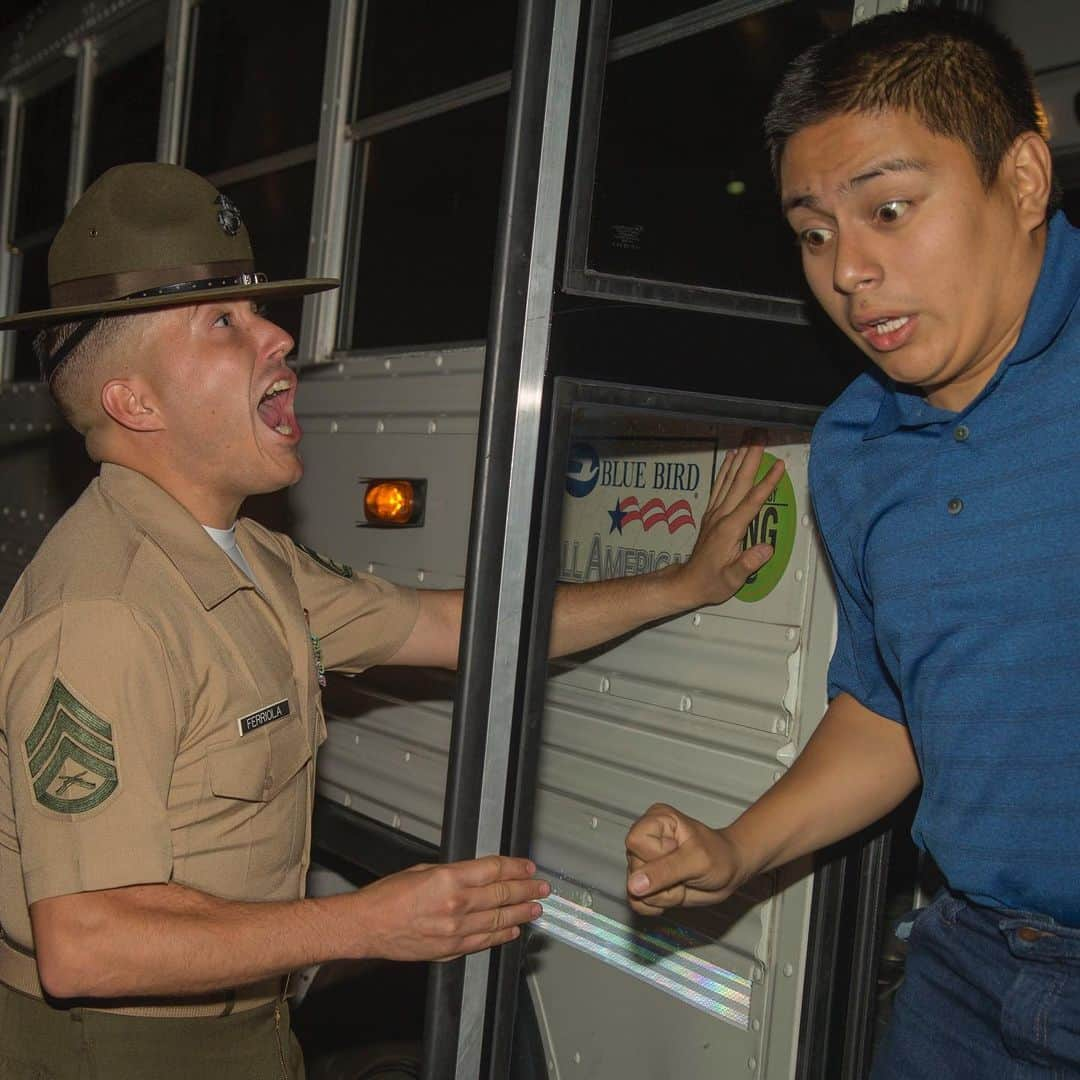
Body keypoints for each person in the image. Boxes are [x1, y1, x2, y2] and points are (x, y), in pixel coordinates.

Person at [0, 161, 783, 1078]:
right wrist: (372, 921)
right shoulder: (107, 613)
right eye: (225, 321)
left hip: (237, 1029)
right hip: (125, 1050)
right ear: (134, 402)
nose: (279, 335)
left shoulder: (245, 555)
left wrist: (680, 583)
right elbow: (88, 944)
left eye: (259, 310)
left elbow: (453, 628)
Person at [624, 9, 1080, 1077]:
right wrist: (739, 850)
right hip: (969, 963)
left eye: (889, 210)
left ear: (1020, 180)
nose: (849, 272)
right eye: (815, 233)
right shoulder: (858, 446)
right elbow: (889, 711)